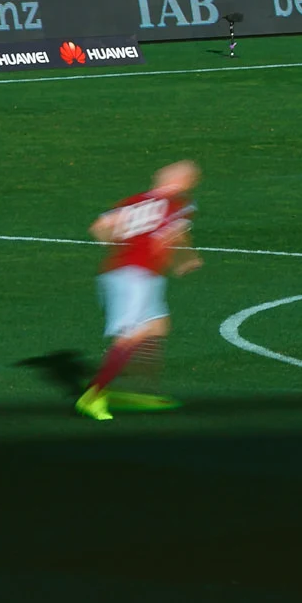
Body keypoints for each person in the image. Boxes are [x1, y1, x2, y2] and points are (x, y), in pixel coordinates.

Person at [77, 160, 201, 420]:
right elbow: (172, 238)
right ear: (183, 182)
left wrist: (122, 247)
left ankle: (136, 388)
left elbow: (99, 228)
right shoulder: (176, 206)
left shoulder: (133, 201)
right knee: (131, 335)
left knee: (156, 326)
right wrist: (185, 259)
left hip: (126, 272)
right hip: (137, 277)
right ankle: (94, 394)